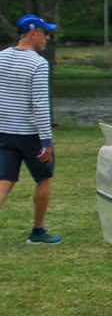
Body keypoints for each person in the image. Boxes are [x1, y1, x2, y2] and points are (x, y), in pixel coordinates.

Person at [0, 15, 61, 245]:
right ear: (32, 32)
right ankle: (37, 233)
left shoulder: (1, 57)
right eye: (44, 33)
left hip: (5, 132)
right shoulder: (38, 63)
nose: (47, 38)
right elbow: (39, 104)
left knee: (4, 180)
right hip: (31, 134)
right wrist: (46, 141)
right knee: (44, 178)